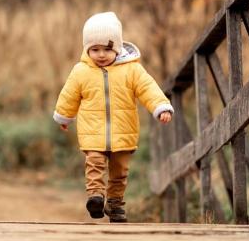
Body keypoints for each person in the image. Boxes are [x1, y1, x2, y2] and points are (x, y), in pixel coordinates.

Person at [54, 11, 173, 222]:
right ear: (87, 49)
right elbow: (69, 95)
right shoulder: (81, 71)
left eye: (107, 49)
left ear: (117, 48)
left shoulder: (132, 70)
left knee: (120, 172)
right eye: (95, 49)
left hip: (123, 132)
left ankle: (115, 204)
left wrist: (161, 107)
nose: (101, 54)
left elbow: (148, 88)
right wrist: (64, 116)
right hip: (93, 131)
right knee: (95, 163)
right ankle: (96, 197)